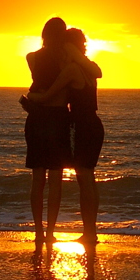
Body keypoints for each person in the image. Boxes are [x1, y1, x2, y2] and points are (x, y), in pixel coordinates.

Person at [28, 27, 104, 246]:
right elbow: (98, 71)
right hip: (93, 124)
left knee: (85, 179)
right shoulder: (88, 68)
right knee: (89, 179)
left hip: (83, 126)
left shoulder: (72, 69)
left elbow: (50, 93)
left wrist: (32, 95)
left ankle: (89, 233)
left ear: (70, 48)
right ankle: (91, 231)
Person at [21, 17, 72, 247]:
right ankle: (50, 230)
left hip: (37, 118)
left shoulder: (32, 57)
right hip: (57, 118)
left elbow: (37, 85)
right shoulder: (65, 59)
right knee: (56, 180)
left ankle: (38, 230)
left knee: (37, 179)